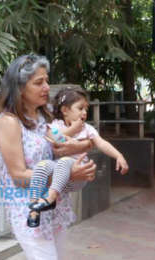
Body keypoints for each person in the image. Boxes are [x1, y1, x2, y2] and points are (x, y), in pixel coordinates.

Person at [0, 54, 97, 260]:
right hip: (29, 210)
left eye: (47, 80)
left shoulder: (45, 116)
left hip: (54, 207)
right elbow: (19, 175)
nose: (47, 87)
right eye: (39, 82)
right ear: (20, 88)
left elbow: (62, 145)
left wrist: (82, 152)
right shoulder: (8, 123)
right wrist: (69, 174)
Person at [27, 86, 129, 227]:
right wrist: (72, 130)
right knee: (42, 166)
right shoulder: (56, 125)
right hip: (60, 175)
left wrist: (119, 155)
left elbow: (101, 143)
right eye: (80, 108)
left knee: (64, 161)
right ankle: (34, 208)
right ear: (65, 110)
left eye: (86, 109)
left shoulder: (88, 129)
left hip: (78, 173)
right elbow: (56, 139)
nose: (84, 112)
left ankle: (50, 197)